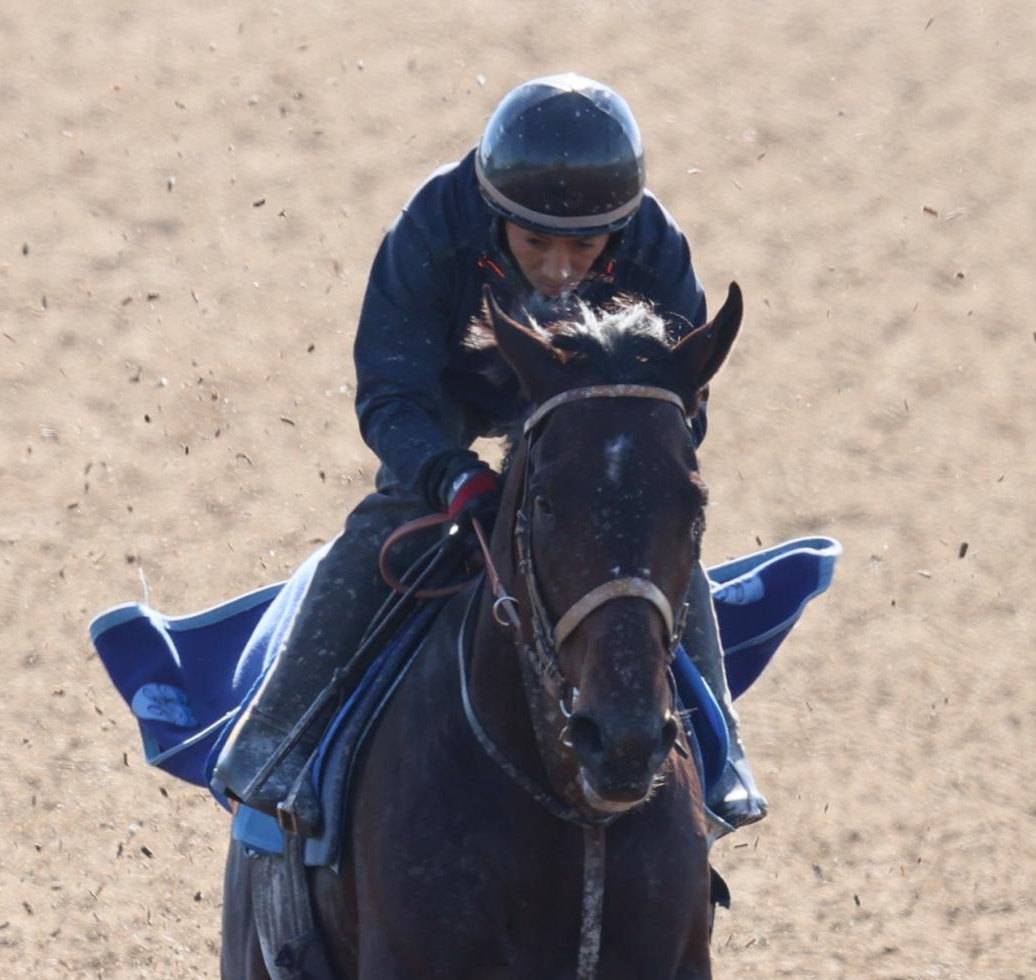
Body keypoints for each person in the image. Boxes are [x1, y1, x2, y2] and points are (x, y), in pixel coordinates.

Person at [211, 74, 764, 834]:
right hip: (452, 398)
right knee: (391, 518)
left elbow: (679, 414)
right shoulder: (433, 225)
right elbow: (391, 396)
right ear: (496, 216)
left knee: (651, 545)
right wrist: (449, 474)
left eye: (584, 246)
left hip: (588, 414)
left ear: (619, 230)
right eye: (536, 242)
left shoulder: (656, 245)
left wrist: (619, 483)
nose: (560, 268)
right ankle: (274, 740)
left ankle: (722, 757)